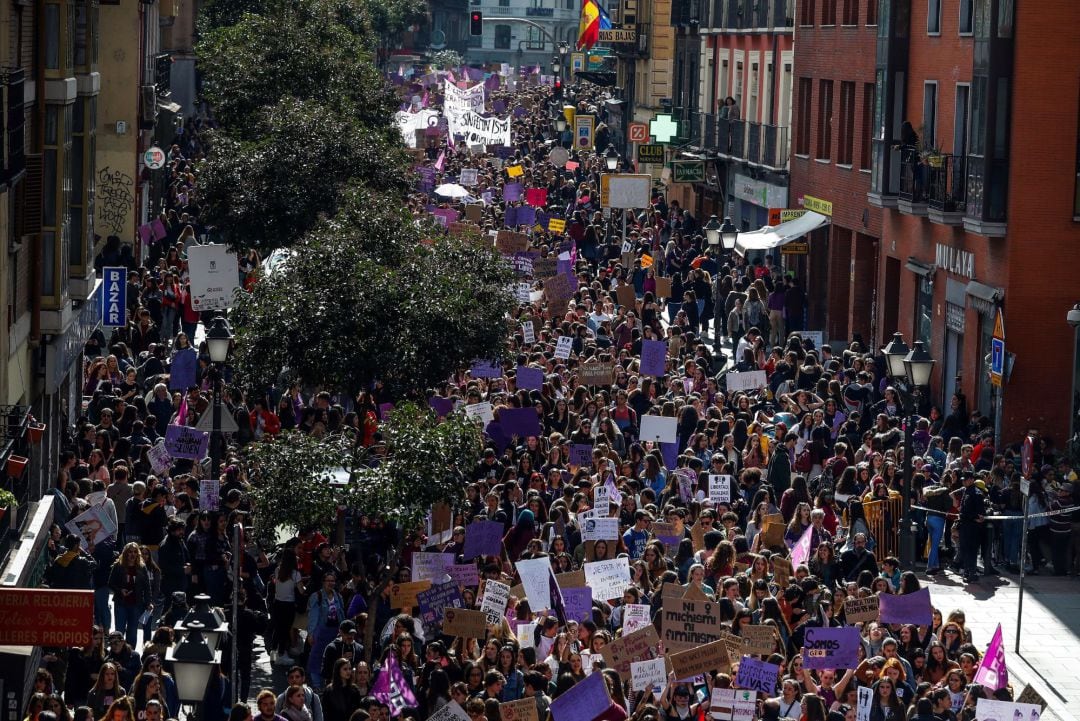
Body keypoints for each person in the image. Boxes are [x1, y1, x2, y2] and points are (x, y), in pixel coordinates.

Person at [956, 471, 986, 582]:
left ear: (971, 479)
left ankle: (971, 572)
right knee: (965, 549)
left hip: (972, 527)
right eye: (963, 480)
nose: (964, 481)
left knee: (971, 550)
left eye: (966, 479)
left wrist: (973, 517)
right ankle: (968, 571)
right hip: (965, 525)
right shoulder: (967, 491)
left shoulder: (976, 493)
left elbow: (980, 513)